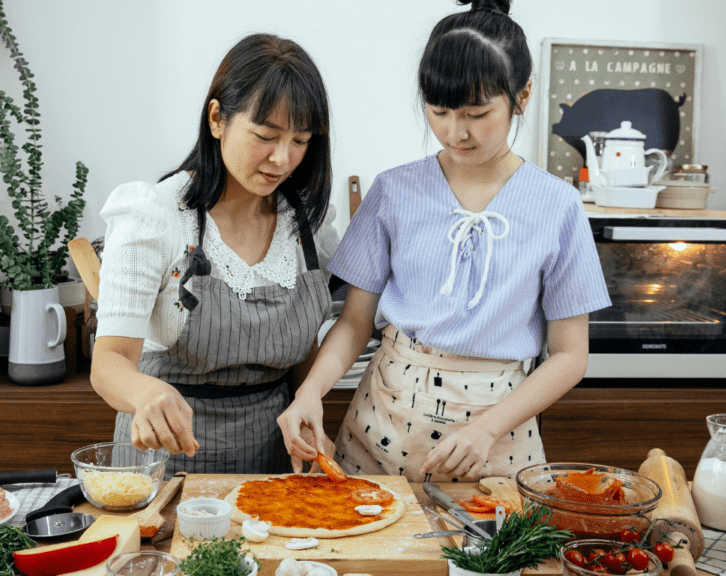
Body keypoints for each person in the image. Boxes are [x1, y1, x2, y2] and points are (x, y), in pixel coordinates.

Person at [277, 0, 611, 482]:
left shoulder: (558, 206)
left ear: (523, 96)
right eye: (439, 111)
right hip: (383, 422)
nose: (457, 132)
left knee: (491, 551)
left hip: (498, 431)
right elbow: (353, 323)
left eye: (478, 113)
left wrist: (487, 429)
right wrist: (310, 392)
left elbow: (569, 355)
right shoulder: (394, 191)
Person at [90, 33, 336, 478]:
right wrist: (145, 394)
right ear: (218, 118)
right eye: (266, 135)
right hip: (166, 456)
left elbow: (302, 349)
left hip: (273, 456)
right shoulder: (156, 215)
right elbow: (108, 364)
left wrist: (309, 411)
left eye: (300, 141)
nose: (282, 159)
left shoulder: (308, 226)